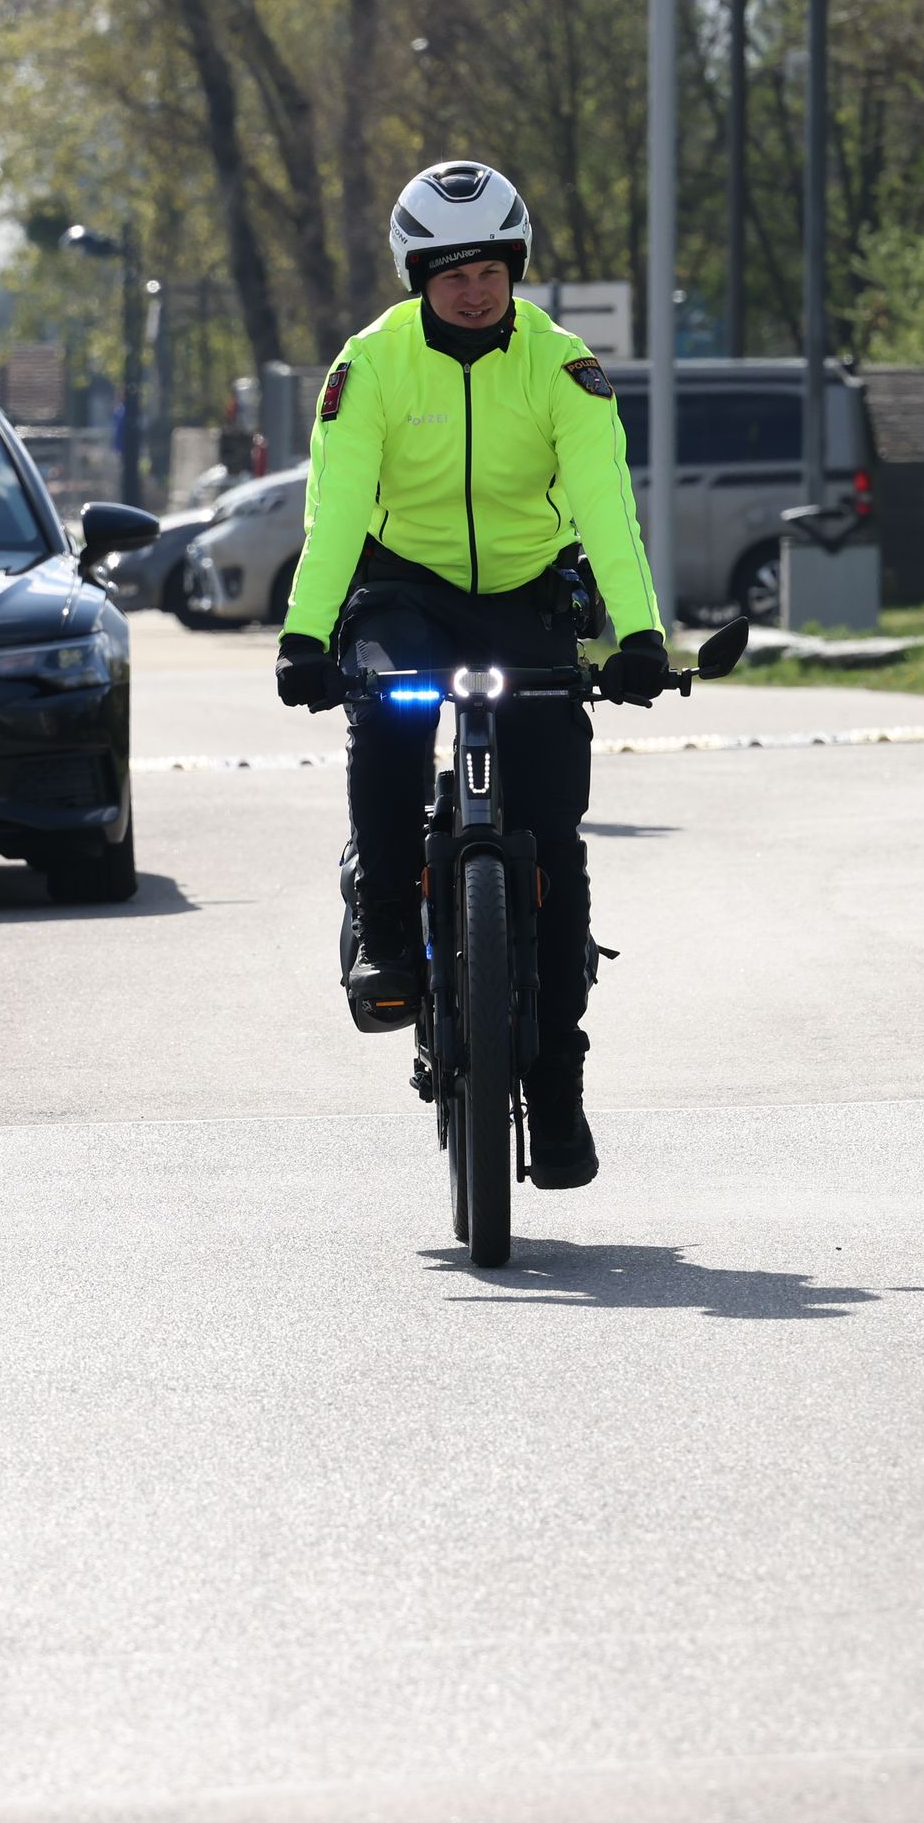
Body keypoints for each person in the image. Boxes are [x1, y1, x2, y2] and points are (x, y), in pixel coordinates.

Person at [271, 160, 672, 1190]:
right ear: (417, 275)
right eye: (449, 271)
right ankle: (387, 926)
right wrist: (305, 639)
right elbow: (334, 516)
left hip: (528, 597)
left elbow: (605, 509)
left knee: (553, 835)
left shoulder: (562, 366)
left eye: (490, 268)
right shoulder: (368, 366)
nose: (472, 289)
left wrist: (637, 635)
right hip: (406, 590)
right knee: (390, 721)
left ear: (515, 268)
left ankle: (558, 1087)